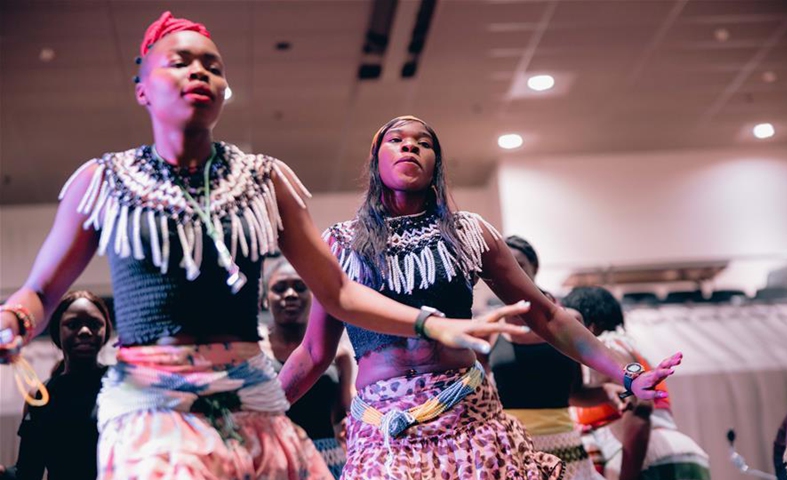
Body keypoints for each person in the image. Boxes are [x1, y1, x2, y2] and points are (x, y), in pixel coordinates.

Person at [0, 13, 532, 480]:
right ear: (142, 88)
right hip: (153, 401)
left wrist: (430, 324)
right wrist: (16, 320)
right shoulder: (103, 181)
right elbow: (41, 291)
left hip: (251, 395)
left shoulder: (263, 180)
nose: (199, 73)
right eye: (180, 62)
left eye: (212, 66)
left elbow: (339, 292)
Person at [277, 115, 683, 480]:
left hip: (467, 419)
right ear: (375, 161)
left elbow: (546, 315)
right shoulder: (341, 243)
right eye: (396, 140)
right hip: (381, 427)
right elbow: (313, 352)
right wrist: (261, 410)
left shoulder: (469, 232)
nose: (410, 146)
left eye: (423, 143)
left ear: (436, 165)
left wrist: (627, 373)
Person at [488, 236, 606, 480]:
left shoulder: (569, 319)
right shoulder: (490, 326)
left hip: (564, 443)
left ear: (535, 268)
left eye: (519, 264)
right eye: (501, 264)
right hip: (513, 447)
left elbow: (576, 392)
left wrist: (612, 391)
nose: (509, 270)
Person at [563, 286, 710, 480]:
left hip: (644, 458)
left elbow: (641, 407)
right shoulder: (632, 348)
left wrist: (626, 476)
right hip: (678, 453)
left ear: (590, 326)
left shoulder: (607, 349)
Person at [0, 291, 112, 480]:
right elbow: (28, 472)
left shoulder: (121, 385)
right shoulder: (41, 397)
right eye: (73, 325)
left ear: (106, 331)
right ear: (57, 332)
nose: (85, 331)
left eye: (94, 324)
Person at [261, 257, 354, 478]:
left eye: (300, 287)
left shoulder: (337, 354)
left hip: (328, 460)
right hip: (276, 458)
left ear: (313, 295)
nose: (290, 294)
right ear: (265, 300)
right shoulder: (255, 353)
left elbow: (345, 410)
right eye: (279, 288)